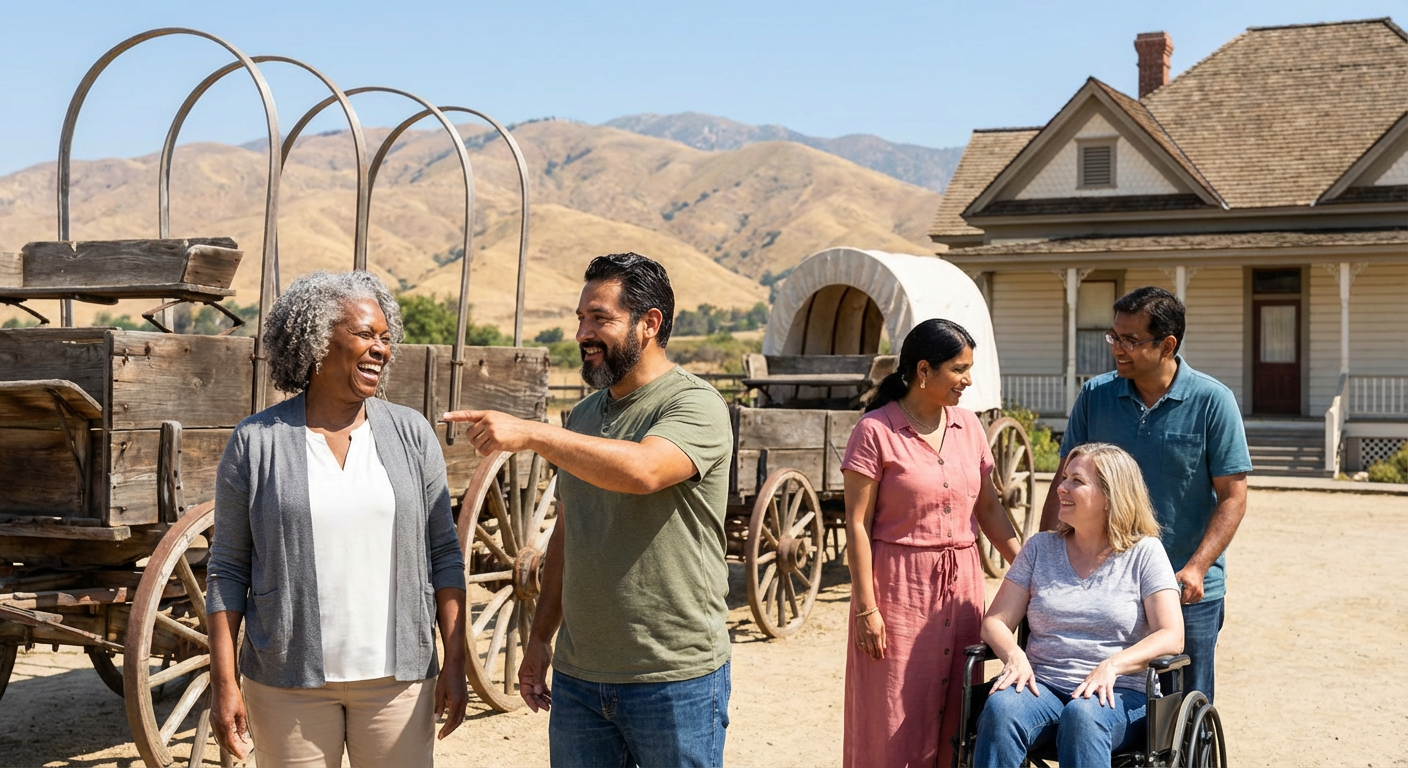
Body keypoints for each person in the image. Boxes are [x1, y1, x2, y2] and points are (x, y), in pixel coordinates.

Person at [444, 253, 733, 767]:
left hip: (673, 676)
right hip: (580, 679)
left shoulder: (694, 404)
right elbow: (567, 535)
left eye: (600, 318)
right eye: (581, 318)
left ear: (649, 324)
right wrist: (539, 638)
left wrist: (532, 433)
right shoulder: (581, 416)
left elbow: (645, 471)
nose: (584, 332)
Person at [206, 271, 468, 768]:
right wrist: (224, 685)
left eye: (386, 338)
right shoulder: (256, 441)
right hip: (288, 686)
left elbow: (444, 556)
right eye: (366, 335)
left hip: (399, 685)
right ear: (318, 341)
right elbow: (228, 569)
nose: (381, 350)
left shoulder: (411, 435)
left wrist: (454, 662)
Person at [1040, 286, 1251, 703]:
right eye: (1114, 337)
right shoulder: (1094, 396)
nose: (1117, 349)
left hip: (1184, 586)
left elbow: (1233, 496)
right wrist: (1044, 553)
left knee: (1184, 704)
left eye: (1130, 340)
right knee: (1106, 700)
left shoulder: (1213, 402)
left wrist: (1196, 568)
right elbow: (1062, 483)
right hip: (1103, 586)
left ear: (1167, 344)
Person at [840, 318, 1022, 768]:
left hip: (962, 591)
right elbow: (857, 525)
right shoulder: (875, 432)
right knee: (891, 712)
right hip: (897, 592)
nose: (968, 380)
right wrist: (867, 608)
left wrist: (1032, 564)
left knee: (957, 712)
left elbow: (990, 510)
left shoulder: (970, 428)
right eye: (959, 369)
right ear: (924, 370)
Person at [975, 442, 1184, 767]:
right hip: (1042, 686)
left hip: (1119, 694)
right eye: (1063, 478)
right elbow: (995, 622)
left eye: (1077, 481)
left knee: (1082, 716)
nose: (1061, 488)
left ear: (1110, 497)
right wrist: (1014, 656)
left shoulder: (1145, 553)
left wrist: (1112, 665)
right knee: (1002, 709)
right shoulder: (1039, 549)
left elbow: (1171, 636)